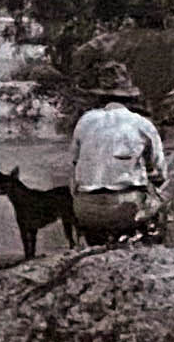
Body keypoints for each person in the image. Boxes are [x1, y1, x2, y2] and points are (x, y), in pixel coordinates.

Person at [69, 65, 167, 244]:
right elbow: (161, 173)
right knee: (160, 200)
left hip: (86, 210)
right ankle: (148, 245)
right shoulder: (142, 124)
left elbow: (74, 165)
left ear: (100, 97)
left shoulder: (84, 121)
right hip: (126, 209)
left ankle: (94, 243)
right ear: (130, 97)